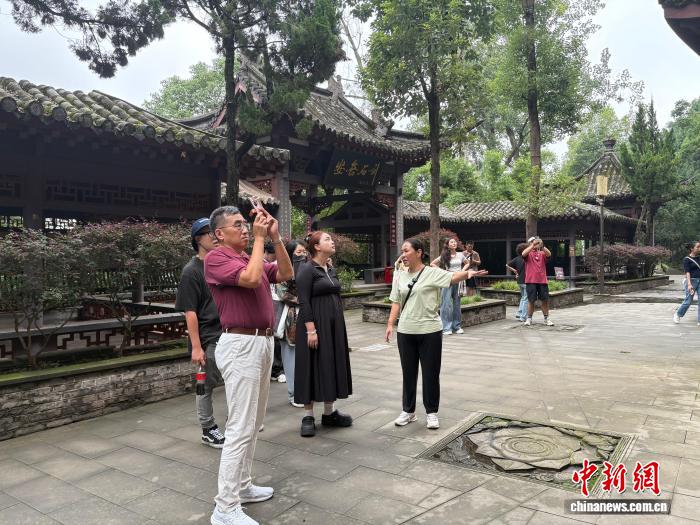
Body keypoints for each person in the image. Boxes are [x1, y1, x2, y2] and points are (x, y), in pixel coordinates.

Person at [205, 204, 293, 525]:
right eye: (238, 225)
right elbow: (252, 279)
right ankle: (225, 507)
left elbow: (285, 274)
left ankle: (242, 487)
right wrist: (258, 239)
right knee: (240, 427)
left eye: (246, 223)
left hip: (262, 342)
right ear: (219, 234)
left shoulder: (246, 256)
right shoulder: (217, 259)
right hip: (240, 344)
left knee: (253, 423)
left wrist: (275, 238)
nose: (245, 228)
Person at [386, 238, 487, 430]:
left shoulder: (431, 272)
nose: (403, 255)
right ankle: (408, 411)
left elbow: (452, 277)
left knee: (431, 373)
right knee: (408, 373)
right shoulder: (399, 275)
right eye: (402, 251)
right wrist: (390, 324)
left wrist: (468, 273)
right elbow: (396, 301)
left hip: (430, 331)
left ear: (418, 252)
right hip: (405, 331)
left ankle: (431, 412)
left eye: (406, 251)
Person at [294, 230, 353, 437]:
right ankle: (308, 416)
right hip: (314, 326)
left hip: (333, 326)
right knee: (310, 365)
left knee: (331, 363)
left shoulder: (330, 268)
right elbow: (303, 301)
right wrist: (311, 330)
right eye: (328, 239)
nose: (333, 241)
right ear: (317, 246)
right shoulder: (307, 269)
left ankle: (329, 413)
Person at [175, 218, 225, 448]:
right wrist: (196, 347)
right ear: (197, 239)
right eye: (209, 233)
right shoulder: (191, 271)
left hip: (226, 332)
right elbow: (190, 312)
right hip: (207, 338)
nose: (215, 237)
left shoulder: (219, 264)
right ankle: (208, 428)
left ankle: (236, 422)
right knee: (205, 384)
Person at [276, 240, 308, 408]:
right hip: (290, 320)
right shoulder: (281, 271)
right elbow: (283, 294)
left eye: (304, 252)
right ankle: (293, 393)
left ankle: (305, 391)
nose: (303, 255)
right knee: (290, 359)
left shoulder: (309, 268)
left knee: (305, 358)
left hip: (307, 317)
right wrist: (304, 299)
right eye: (299, 252)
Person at [431, 238, 466, 335]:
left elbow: (467, 263)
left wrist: (462, 271)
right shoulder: (444, 255)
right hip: (447, 280)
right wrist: (443, 272)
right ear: (447, 245)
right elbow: (432, 264)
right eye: (452, 242)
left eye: (455, 242)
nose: (454, 243)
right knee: (446, 304)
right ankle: (446, 328)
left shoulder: (460, 255)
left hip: (458, 280)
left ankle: (457, 326)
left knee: (457, 304)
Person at [265, 242, 285, 384]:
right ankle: (275, 370)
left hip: (277, 301)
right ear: (266, 252)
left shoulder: (276, 264)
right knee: (273, 337)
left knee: (278, 336)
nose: (274, 258)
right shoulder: (260, 264)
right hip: (270, 302)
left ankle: (277, 369)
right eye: (273, 255)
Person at [522, 236, 553, 326]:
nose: (535, 243)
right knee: (531, 300)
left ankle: (546, 318)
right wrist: (532, 245)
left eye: (536, 242)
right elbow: (523, 254)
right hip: (530, 281)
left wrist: (542, 246)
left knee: (545, 300)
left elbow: (549, 254)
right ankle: (529, 319)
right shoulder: (528, 254)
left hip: (542, 280)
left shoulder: (542, 253)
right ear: (530, 243)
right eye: (533, 242)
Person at [673, 240, 700, 325]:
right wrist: (689, 284)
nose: (699, 248)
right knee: (688, 301)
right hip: (691, 281)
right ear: (692, 248)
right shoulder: (686, 259)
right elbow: (687, 272)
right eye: (698, 247)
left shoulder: (699, 258)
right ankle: (678, 314)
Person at [505, 243, 529, 322]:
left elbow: (507, 265)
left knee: (523, 297)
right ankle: (523, 317)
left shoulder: (517, 258)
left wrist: (514, 271)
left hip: (519, 281)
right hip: (526, 280)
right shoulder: (527, 258)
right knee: (526, 299)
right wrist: (515, 271)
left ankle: (519, 313)